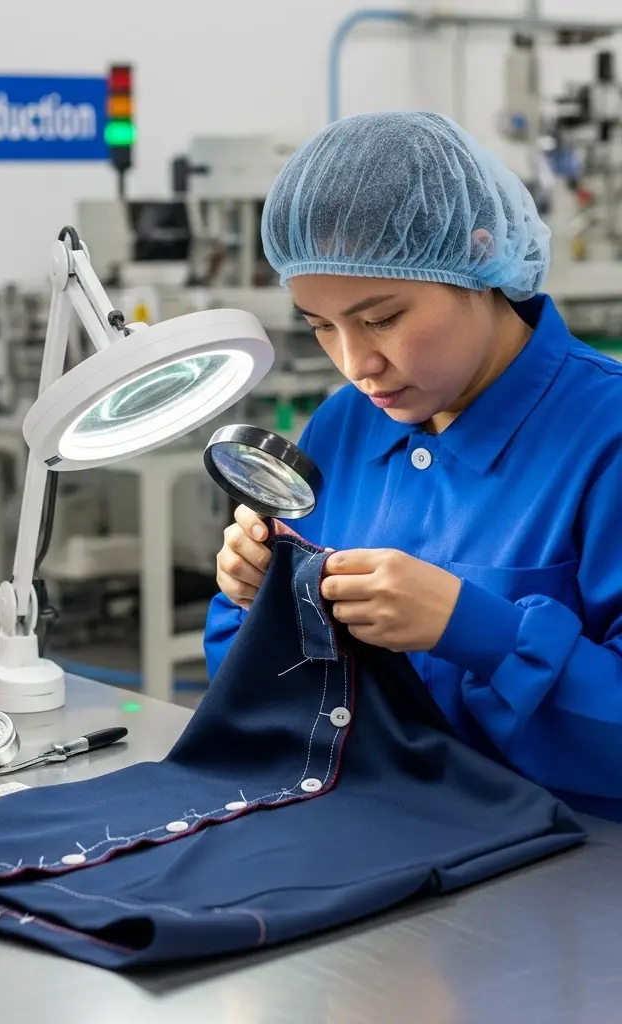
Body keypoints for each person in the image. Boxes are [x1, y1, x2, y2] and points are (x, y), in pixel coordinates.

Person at [204, 109, 622, 821]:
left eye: (382, 318)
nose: (356, 363)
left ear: (477, 257)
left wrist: (480, 632)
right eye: (321, 327)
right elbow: (263, 699)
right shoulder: (344, 426)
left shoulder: (603, 437)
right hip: (377, 836)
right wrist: (262, 600)